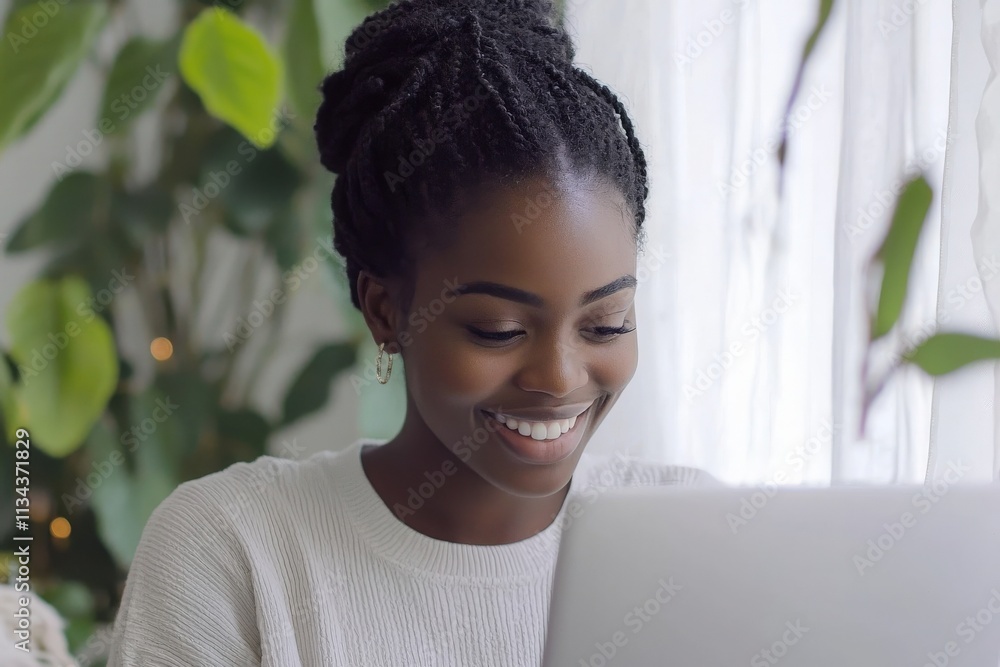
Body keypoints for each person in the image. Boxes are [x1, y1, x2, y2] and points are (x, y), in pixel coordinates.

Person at [108, 0, 717, 664]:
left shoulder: (691, 534)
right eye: (499, 329)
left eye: (606, 324)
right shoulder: (235, 549)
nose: (560, 377)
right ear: (385, 311)